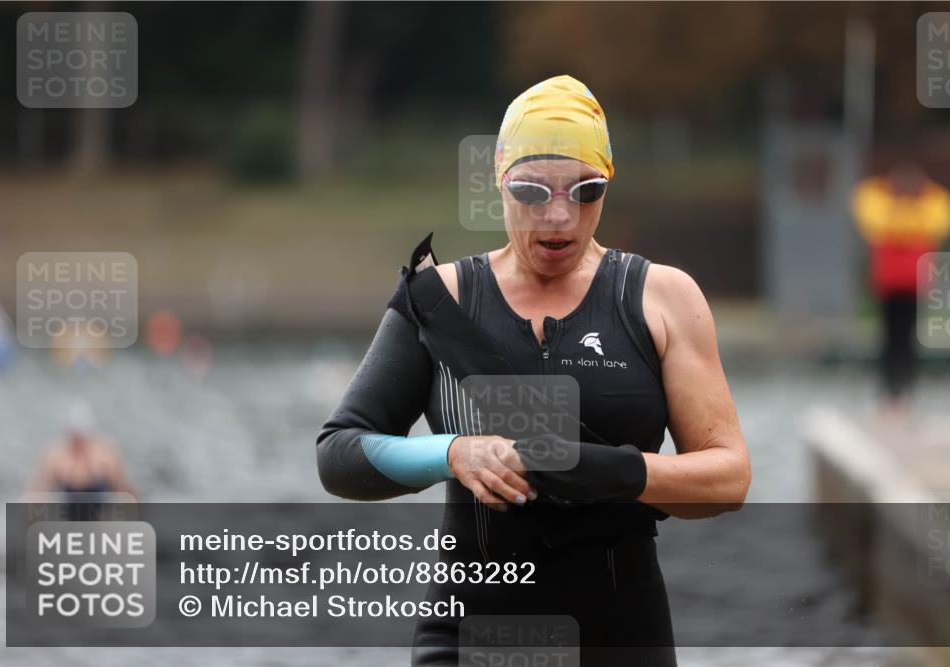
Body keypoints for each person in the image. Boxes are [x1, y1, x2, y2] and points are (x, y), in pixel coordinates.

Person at [316, 75, 751, 666]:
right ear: (499, 181)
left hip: (618, 636)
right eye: (531, 192)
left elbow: (728, 477)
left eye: (585, 191)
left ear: (608, 186)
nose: (558, 216)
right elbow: (339, 454)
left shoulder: (664, 298)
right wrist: (452, 454)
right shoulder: (440, 300)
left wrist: (606, 470)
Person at [852, 161, 950, 412]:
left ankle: (905, 391)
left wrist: (920, 193)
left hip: (914, 285)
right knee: (890, 338)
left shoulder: (928, 208)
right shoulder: (881, 205)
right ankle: (890, 393)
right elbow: (869, 212)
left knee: (907, 338)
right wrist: (893, 193)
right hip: (889, 286)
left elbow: (942, 213)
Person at [28, 401, 137, 518]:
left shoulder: (103, 452)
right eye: (75, 437)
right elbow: (40, 487)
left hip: (99, 507)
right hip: (70, 507)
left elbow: (122, 484)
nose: (79, 442)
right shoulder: (57, 455)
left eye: (81, 437)